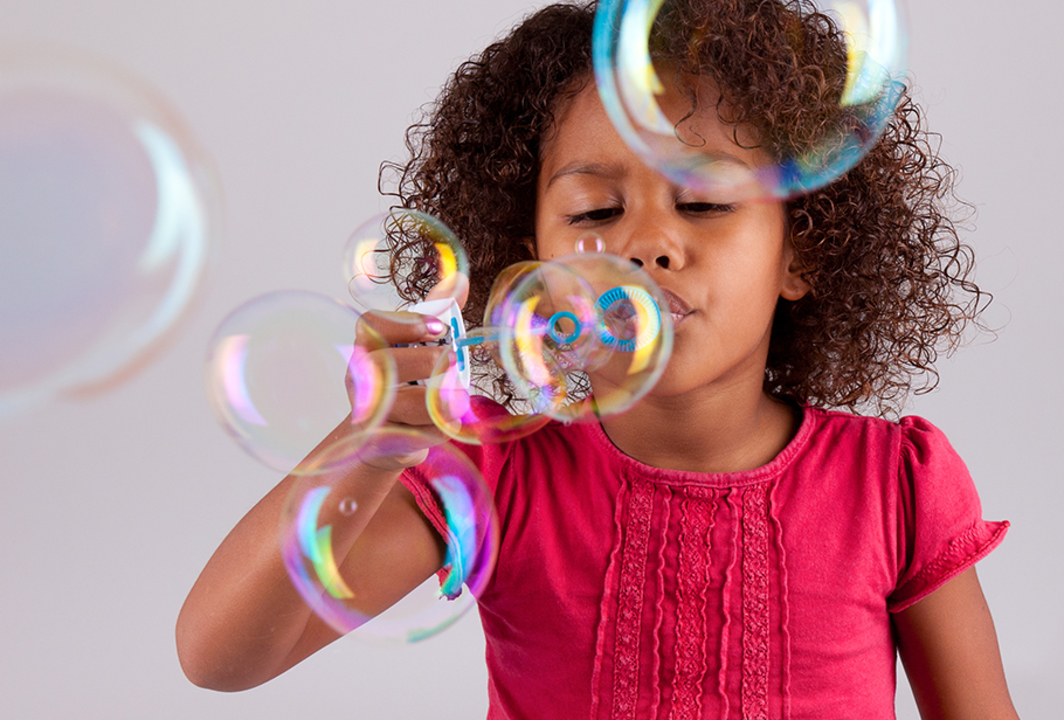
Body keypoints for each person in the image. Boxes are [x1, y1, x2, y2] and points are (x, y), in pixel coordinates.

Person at [176, 1, 1020, 718]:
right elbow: (223, 658)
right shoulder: (493, 473)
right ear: (526, 256)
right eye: (597, 210)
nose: (648, 243)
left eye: (702, 201)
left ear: (801, 252)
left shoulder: (892, 484)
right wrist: (369, 442)